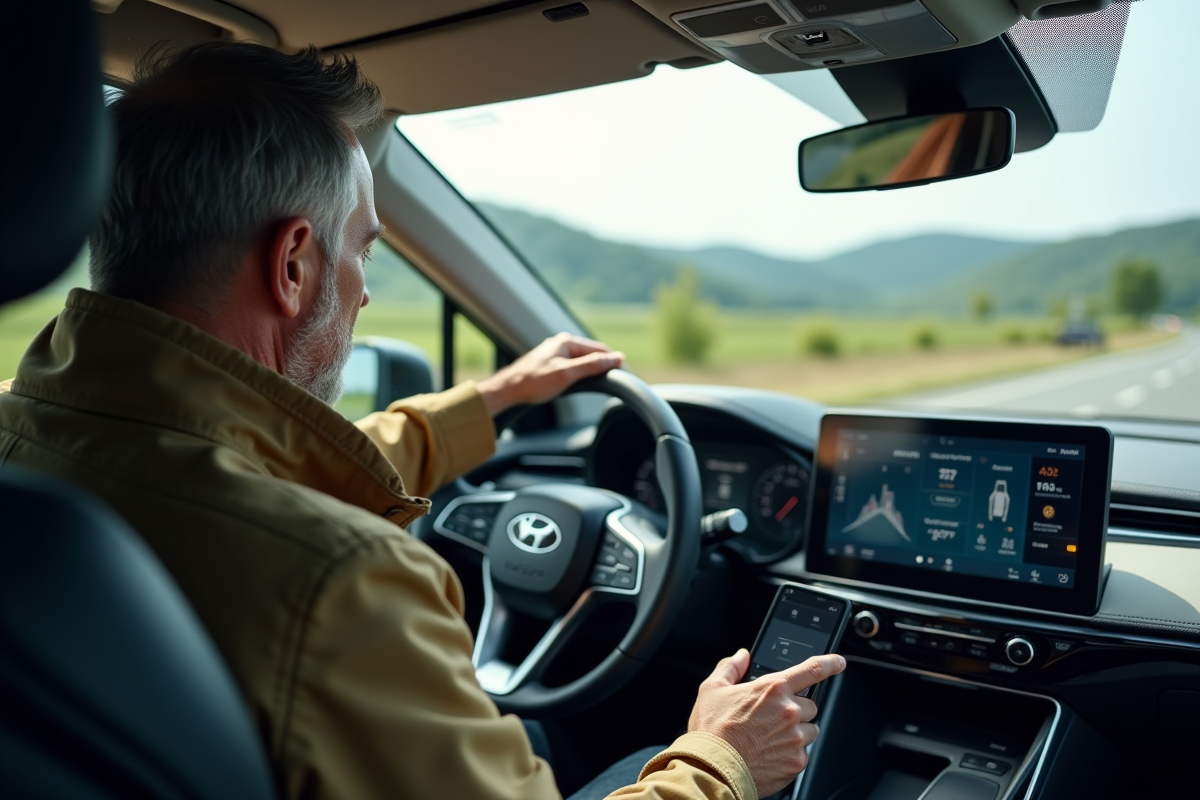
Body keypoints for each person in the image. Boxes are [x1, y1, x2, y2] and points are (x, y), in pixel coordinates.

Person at [0, 41, 844, 800]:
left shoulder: (32, 435)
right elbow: (259, 507)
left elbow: (221, 467)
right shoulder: (341, 585)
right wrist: (718, 761)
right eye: (363, 249)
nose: (365, 289)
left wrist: (489, 401)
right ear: (293, 264)